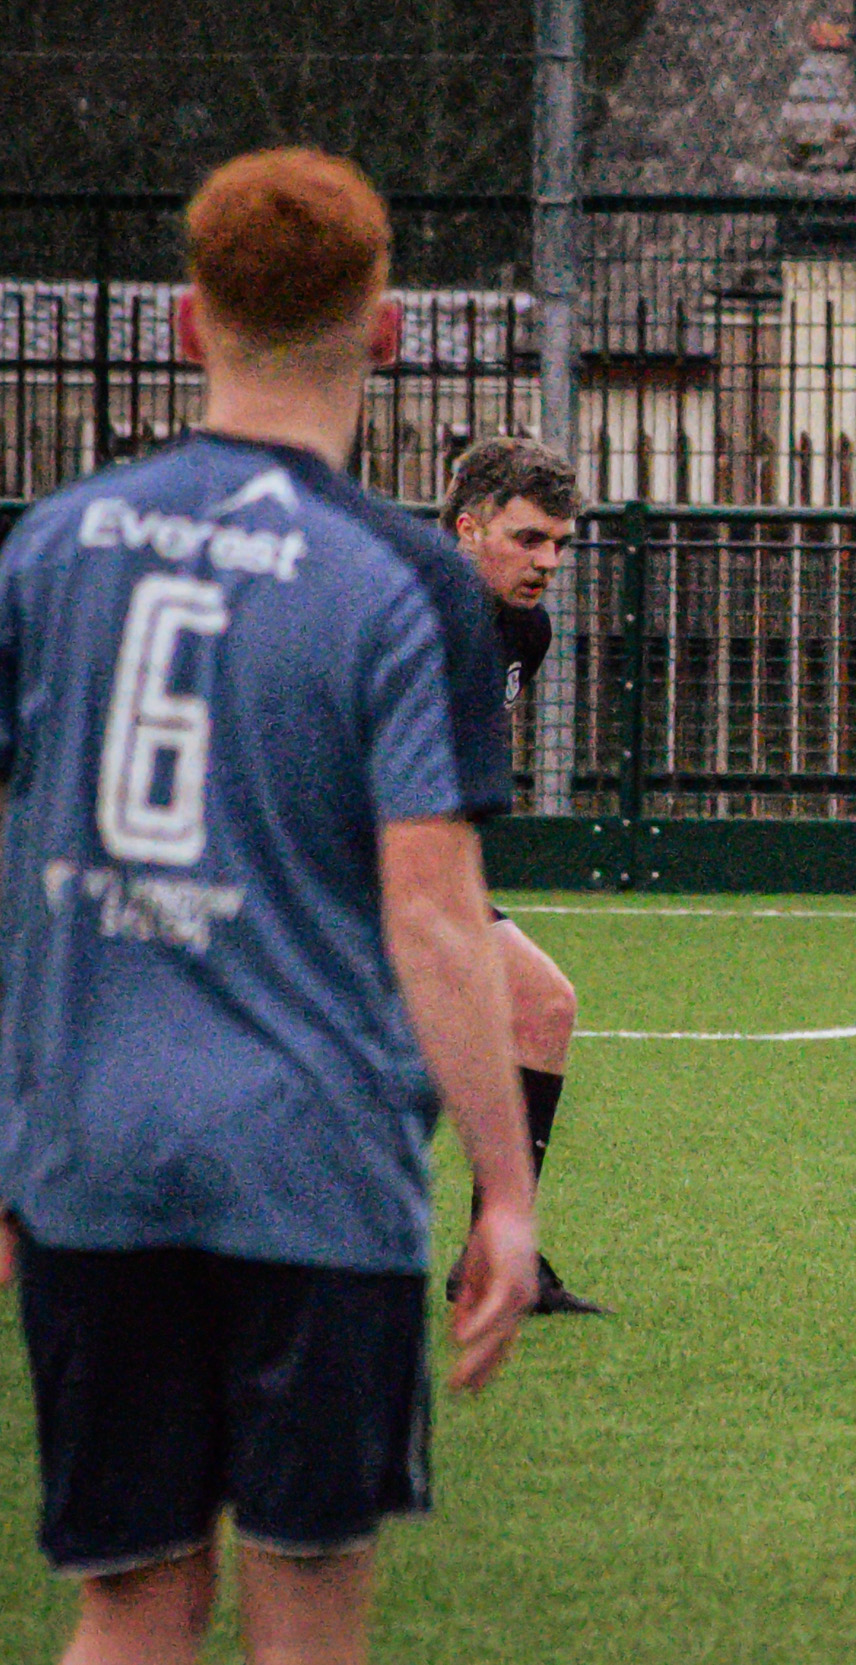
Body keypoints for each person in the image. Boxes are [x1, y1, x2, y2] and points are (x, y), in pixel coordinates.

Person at [0, 148, 539, 1663]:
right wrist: (505, 1191)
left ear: (187, 322)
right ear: (386, 330)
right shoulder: (402, 582)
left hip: (89, 1160)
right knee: (306, 1609)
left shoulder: (51, 545)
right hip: (309, 1170)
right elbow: (434, 915)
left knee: (129, 1606)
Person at [440, 435, 608, 1316]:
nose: (547, 561)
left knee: (543, 1007)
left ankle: (495, 1258)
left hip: (420, 872)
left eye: (559, 544)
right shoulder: (400, 609)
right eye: (527, 538)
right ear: (467, 527)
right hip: (332, 869)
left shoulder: (521, 630)